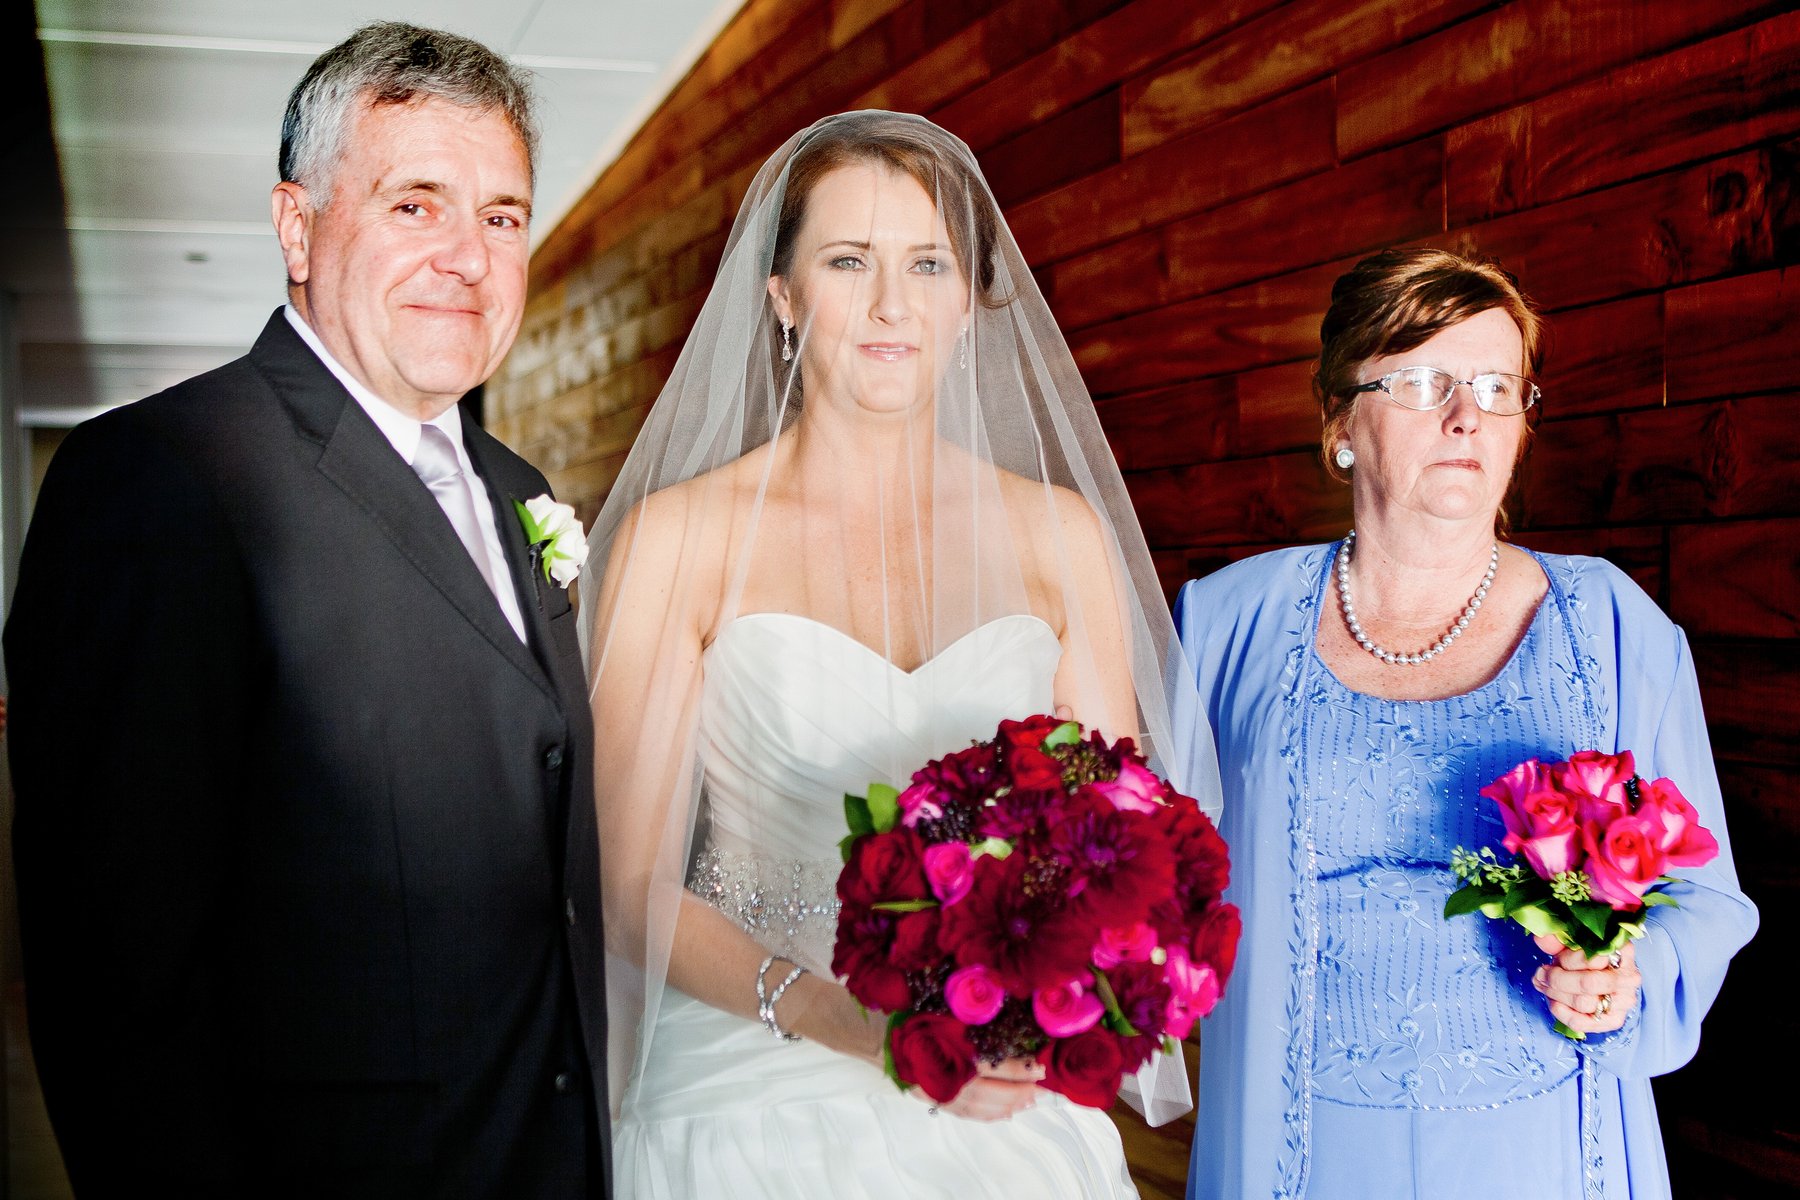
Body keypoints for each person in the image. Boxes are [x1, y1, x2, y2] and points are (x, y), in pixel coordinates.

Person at [4, 24, 608, 1196]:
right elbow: (117, 982)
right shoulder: (161, 479)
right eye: (415, 205)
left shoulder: (520, 492)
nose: (469, 258)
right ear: (296, 228)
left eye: (502, 217)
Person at [583, 110, 1221, 1198]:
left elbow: (1119, 830)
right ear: (783, 296)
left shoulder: (1059, 535)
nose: (892, 304)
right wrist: (841, 1016)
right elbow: (628, 881)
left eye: (928, 264)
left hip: (994, 1084)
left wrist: (1038, 997)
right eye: (848, 261)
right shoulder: (678, 539)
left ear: (968, 302)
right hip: (748, 1083)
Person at [1175, 248, 1757, 1200]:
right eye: (1421, 381)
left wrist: (1630, 975)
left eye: (1497, 387)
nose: (1466, 415)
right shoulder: (1221, 621)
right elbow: (1148, 875)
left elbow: (1707, 896)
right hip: (1301, 1149)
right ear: (1339, 420)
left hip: (1546, 1147)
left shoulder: (1613, 624)